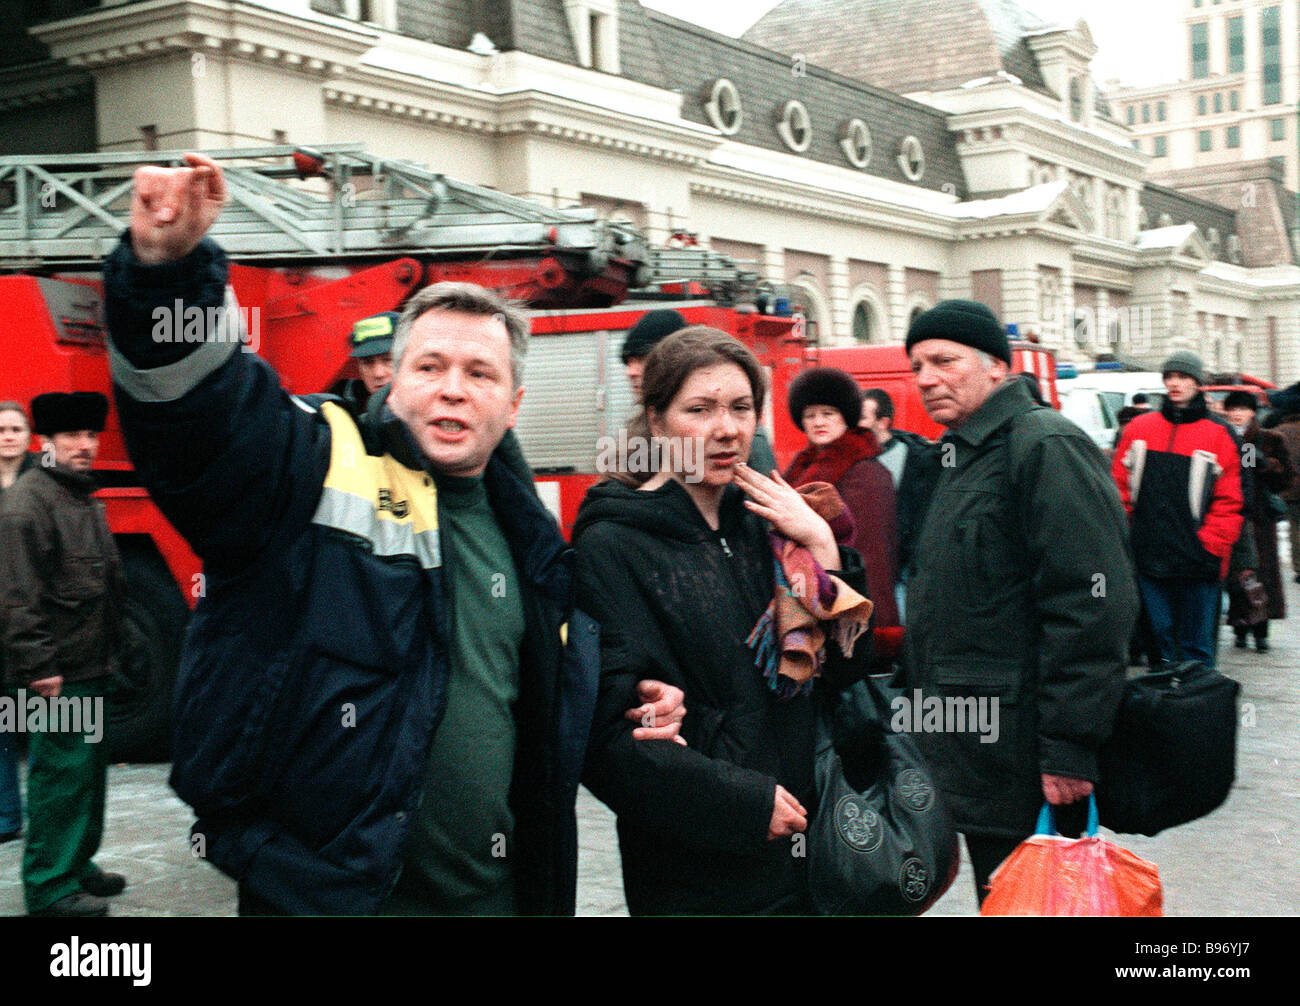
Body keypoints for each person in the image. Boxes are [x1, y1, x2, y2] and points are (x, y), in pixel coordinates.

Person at [102, 152, 681, 916]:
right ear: (389, 379)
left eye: (479, 373)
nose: (451, 387)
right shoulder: (311, 463)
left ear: (513, 406)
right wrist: (165, 274)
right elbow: (201, 421)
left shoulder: (533, 541)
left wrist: (631, 700)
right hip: (334, 901)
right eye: (430, 365)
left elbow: (530, 696)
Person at [576, 326, 873, 915]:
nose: (726, 428)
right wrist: (742, 804)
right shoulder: (612, 544)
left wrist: (822, 548)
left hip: (810, 849)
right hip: (697, 871)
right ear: (657, 421)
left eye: (741, 408)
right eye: (699, 409)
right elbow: (607, 738)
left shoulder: (769, 521)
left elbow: (843, 670)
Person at [902, 299, 1137, 903]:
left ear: (995, 367)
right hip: (975, 747)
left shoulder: (1044, 444)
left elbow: (1093, 602)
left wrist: (1069, 745)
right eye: (917, 365)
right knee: (1006, 901)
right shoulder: (961, 454)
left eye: (942, 360)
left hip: (1027, 751)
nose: (926, 378)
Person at [0, 392, 127, 917]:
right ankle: (49, 886)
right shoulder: (26, 504)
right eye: (72, 437)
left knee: (87, 773)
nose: (85, 446)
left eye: (90, 436)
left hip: (89, 665)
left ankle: (76, 863)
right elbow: (15, 596)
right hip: (54, 674)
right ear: (45, 443)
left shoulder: (79, 496)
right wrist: (40, 668)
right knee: (58, 777)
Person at [1113, 350, 1242, 670]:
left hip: (1198, 560)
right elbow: (1118, 486)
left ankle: (1197, 713)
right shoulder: (1139, 428)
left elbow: (1231, 500)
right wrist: (1130, 533)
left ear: (1198, 384)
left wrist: (1210, 544)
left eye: (1183, 377)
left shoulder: (1218, 433)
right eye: (1170, 377)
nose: (1175, 383)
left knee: (1197, 650)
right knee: (1159, 644)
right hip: (1148, 556)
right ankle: (1165, 711)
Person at [785, 367, 900, 634]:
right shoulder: (803, 466)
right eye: (810, 415)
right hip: (811, 602)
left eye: (828, 413)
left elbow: (871, 558)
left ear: (845, 417)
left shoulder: (865, 472)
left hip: (850, 612)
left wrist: (871, 625)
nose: (818, 422)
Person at [621, 307, 777, 474]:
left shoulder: (749, 440)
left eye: (642, 359)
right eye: (628, 362)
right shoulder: (640, 427)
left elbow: (760, 493)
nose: (631, 372)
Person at [1223, 390, 1294, 652]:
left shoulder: (1269, 439)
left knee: (1261, 575)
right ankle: (1240, 626)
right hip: (1231, 516)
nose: (1237, 413)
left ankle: (1261, 631)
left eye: (1242, 408)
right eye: (1233, 409)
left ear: (1253, 411)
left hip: (1260, 520)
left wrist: (1265, 465)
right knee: (1237, 577)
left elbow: (1286, 479)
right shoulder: (1222, 436)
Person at [859, 387, 939, 620]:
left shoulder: (919, 455)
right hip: (871, 566)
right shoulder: (853, 460)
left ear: (883, 422)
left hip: (905, 567)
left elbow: (950, 462)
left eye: (862, 418)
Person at [0, 401, 37, 846]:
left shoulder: (41, 485)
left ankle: (51, 826)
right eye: (1, 429)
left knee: (49, 726)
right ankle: (7, 818)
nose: (7, 436)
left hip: (32, 621)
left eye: (15, 428)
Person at [1263, 382, 1300, 584]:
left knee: (1296, 527)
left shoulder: (1277, 431)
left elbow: (1251, 462)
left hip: (1289, 488)